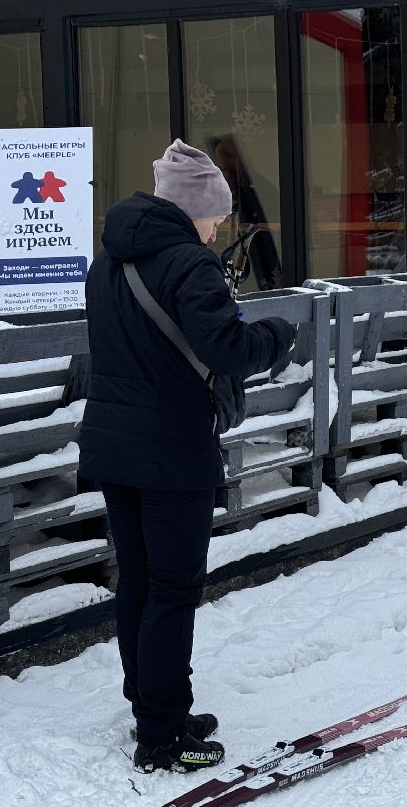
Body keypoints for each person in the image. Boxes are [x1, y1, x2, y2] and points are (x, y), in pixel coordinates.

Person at [78, 139, 296, 774]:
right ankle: (163, 735)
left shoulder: (109, 263)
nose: (220, 227)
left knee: (139, 584)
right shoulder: (188, 265)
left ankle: (151, 706)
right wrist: (277, 337)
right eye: (217, 215)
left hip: (115, 445)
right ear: (193, 208)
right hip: (171, 449)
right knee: (173, 591)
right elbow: (228, 349)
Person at [206, 134, 282, 290]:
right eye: (222, 170)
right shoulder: (227, 191)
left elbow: (271, 225)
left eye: (228, 169)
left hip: (260, 256)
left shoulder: (259, 191)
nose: (225, 175)